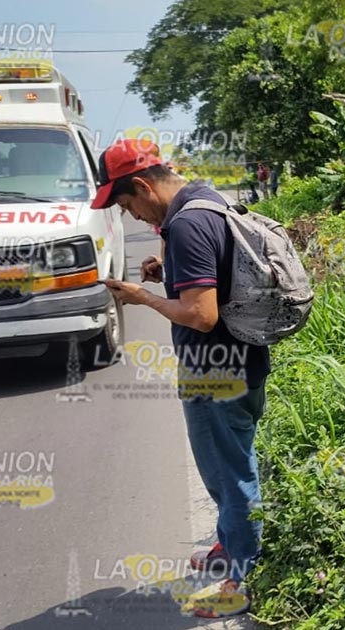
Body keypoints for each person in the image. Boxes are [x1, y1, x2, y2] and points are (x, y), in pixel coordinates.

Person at [91, 139, 270, 619]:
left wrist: (142, 298)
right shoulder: (203, 199)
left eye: (126, 203)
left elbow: (201, 314)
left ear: (143, 186)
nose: (128, 216)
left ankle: (241, 578)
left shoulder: (188, 224)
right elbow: (215, 273)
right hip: (241, 363)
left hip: (218, 372)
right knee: (227, 467)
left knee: (231, 476)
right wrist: (166, 269)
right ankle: (230, 545)